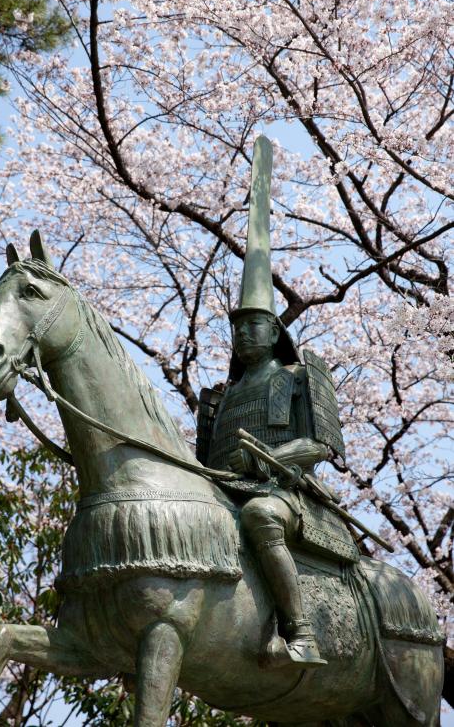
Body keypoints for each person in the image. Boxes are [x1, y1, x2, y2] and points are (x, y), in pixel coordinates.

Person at [199, 136, 346, 668]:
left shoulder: (300, 375)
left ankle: (301, 631)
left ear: (275, 329)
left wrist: (269, 460)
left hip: (281, 493)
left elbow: (323, 445)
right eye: (237, 328)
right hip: (222, 493)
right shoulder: (218, 397)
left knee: (261, 517)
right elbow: (201, 464)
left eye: (255, 324)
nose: (244, 336)